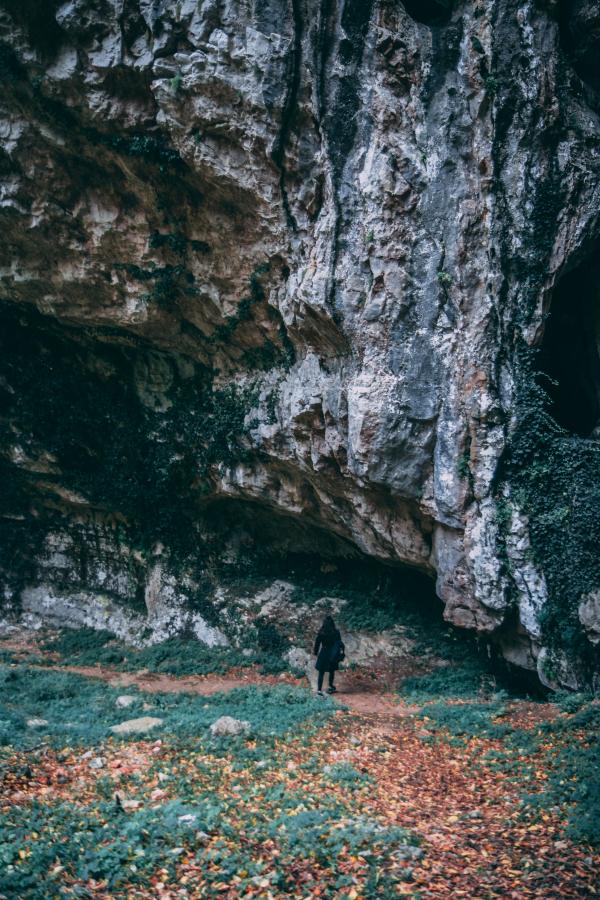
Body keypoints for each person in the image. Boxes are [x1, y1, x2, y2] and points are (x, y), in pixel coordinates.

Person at [313, 615, 345, 696]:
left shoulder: (321, 632)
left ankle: (319, 690)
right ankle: (330, 686)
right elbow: (339, 643)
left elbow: (317, 643)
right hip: (332, 653)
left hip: (324, 652)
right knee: (331, 671)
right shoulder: (336, 632)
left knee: (321, 672)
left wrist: (315, 653)